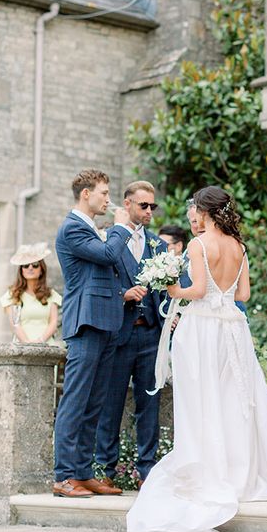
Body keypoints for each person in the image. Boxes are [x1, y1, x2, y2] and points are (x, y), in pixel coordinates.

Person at [125, 186, 267, 532]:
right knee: (234, 399)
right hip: (233, 328)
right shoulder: (239, 247)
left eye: (196, 212)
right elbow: (244, 295)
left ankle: (209, 472)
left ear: (204, 212)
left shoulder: (199, 245)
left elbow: (198, 290)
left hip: (202, 329)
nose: (195, 218)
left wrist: (173, 290)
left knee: (202, 401)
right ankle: (240, 475)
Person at [53, 169, 129, 498]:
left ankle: (83, 473)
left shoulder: (93, 229)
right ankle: (64, 476)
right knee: (75, 400)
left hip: (107, 321)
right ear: (86, 194)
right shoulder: (72, 229)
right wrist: (122, 226)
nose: (108, 199)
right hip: (85, 322)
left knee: (94, 403)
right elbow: (109, 255)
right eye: (103, 193)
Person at [95, 181, 169, 484]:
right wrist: (122, 294)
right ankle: (105, 469)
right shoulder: (106, 240)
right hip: (118, 334)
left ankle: (147, 470)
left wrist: (171, 318)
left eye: (153, 206)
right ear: (127, 205)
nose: (149, 211)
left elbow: (167, 292)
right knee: (110, 404)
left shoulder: (159, 245)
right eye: (143, 205)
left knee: (149, 403)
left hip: (151, 335)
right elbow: (97, 284)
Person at [0, 243, 62, 345]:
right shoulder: (12, 294)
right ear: (21, 270)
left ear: (41, 269)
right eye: (25, 265)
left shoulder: (51, 294)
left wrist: (40, 341)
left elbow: (53, 322)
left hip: (47, 346)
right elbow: (15, 324)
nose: (30, 268)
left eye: (35, 264)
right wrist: (27, 344)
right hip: (22, 348)